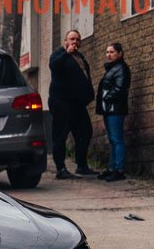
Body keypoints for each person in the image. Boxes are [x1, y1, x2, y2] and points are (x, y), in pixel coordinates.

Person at [48, 29, 97, 179]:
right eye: (72, 39)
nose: (75, 42)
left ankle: (82, 165)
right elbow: (54, 66)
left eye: (77, 39)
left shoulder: (80, 57)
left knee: (85, 132)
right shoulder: (58, 55)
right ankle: (61, 169)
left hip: (78, 104)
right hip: (62, 103)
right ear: (65, 41)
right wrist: (66, 53)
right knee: (60, 135)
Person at [96, 42, 130, 182]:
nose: (108, 55)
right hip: (109, 109)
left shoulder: (121, 68)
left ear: (120, 54)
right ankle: (112, 168)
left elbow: (120, 88)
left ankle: (119, 170)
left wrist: (106, 98)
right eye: (107, 52)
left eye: (112, 52)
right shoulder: (113, 68)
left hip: (115, 109)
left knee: (117, 139)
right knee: (112, 140)